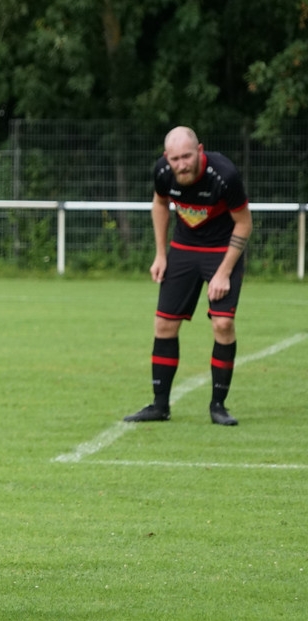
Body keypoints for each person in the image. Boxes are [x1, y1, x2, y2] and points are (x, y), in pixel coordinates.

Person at [124, 126, 252, 426]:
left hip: (222, 249)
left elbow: (244, 224)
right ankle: (160, 406)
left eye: (187, 156)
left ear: (199, 151)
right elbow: (160, 204)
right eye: (175, 158)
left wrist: (223, 273)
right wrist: (161, 254)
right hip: (183, 248)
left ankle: (218, 406)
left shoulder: (224, 175)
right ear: (166, 157)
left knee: (223, 324)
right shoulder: (163, 172)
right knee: (164, 324)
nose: (181, 164)